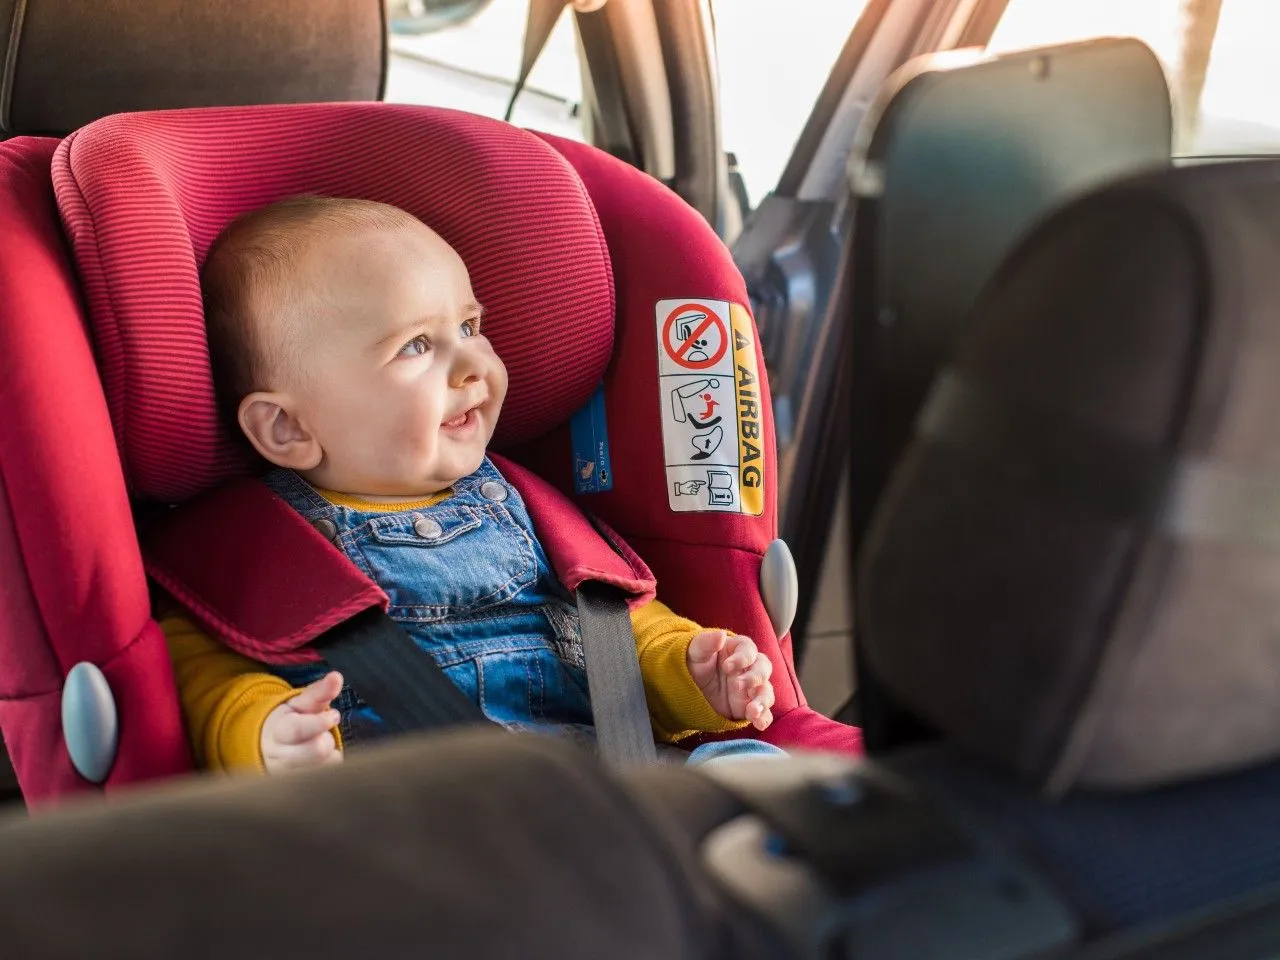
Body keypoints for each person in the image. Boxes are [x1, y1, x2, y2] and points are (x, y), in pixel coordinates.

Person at [161, 194, 784, 774]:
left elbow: (622, 633)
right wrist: (264, 729)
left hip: (597, 778)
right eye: (415, 347)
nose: (472, 365)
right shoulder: (257, 550)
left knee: (754, 768)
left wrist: (693, 669)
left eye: (469, 326)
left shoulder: (530, 509)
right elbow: (201, 673)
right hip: (419, 810)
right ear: (287, 426)